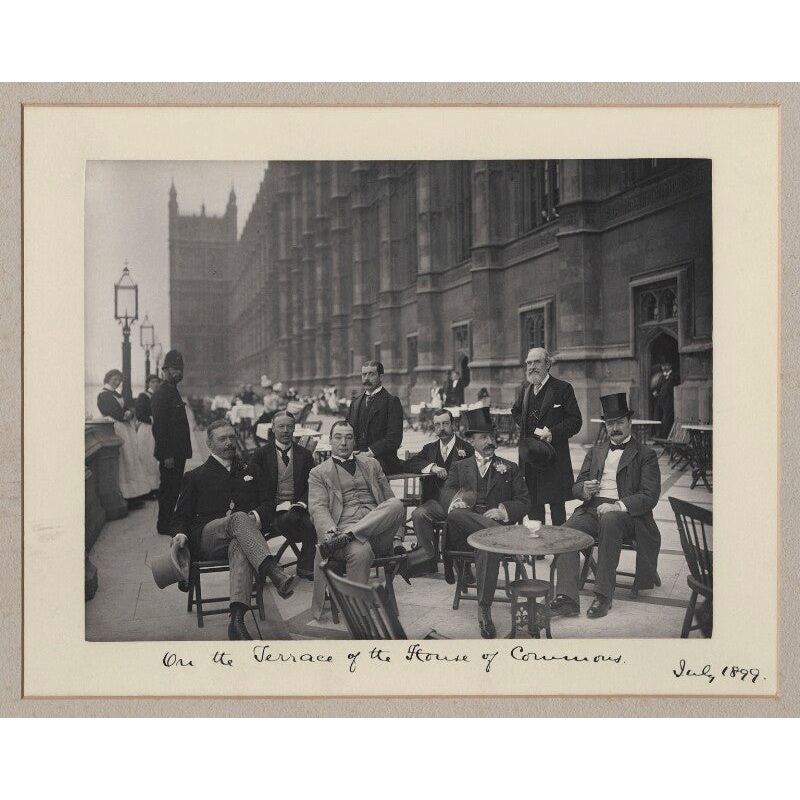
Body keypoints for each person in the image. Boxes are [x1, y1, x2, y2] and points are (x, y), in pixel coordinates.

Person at [170, 420, 295, 640]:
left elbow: (268, 503)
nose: (230, 443)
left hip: (243, 540)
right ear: (209, 444)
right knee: (238, 518)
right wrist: (180, 535)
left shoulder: (251, 470)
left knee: (241, 545)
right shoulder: (195, 476)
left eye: (232, 437)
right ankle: (272, 570)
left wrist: (255, 516)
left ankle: (236, 622)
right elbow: (180, 517)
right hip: (208, 540)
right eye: (223, 439)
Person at [549, 393, 662, 619]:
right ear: (606, 426)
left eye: (620, 422)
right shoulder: (596, 451)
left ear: (630, 423)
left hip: (629, 515)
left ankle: (603, 595)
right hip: (592, 509)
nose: (615, 428)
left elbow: (650, 496)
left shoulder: (646, 455)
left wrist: (618, 505)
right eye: (610, 424)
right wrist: (584, 489)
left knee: (610, 520)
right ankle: (567, 598)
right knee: (566, 530)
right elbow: (576, 486)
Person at [439, 408, 529, 639]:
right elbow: (446, 491)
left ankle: (484, 609)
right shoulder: (460, 466)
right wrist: (457, 501)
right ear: (471, 441)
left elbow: (524, 501)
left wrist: (503, 510)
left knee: (488, 547)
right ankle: (499, 535)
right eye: (483, 437)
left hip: (489, 538)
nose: (490, 441)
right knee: (454, 515)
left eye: (491, 436)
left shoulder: (510, 467)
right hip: (463, 533)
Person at [307, 420, 406, 620]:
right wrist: (329, 531)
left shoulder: (371, 464)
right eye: (338, 437)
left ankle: (350, 536)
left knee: (397, 505)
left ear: (355, 442)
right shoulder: (318, 473)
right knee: (361, 551)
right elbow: (318, 508)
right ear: (330, 441)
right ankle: (357, 612)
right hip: (340, 530)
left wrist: (396, 539)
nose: (343, 442)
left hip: (377, 532)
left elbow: (388, 499)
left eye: (349, 437)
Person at [511, 347, 582, 527]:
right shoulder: (525, 390)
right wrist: (527, 426)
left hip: (554, 457)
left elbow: (575, 420)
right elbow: (515, 411)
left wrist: (553, 432)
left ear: (548, 364)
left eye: (537, 362)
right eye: (528, 363)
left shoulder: (563, 388)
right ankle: (538, 551)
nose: (532, 366)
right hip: (530, 458)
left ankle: (560, 551)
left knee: (557, 507)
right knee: (534, 505)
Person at [403, 409, 474, 575]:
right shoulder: (430, 449)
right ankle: (428, 559)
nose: (441, 428)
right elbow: (408, 464)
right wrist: (432, 467)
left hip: (458, 503)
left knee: (460, 518)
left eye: (445, 424)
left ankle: (463, 563)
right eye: (437, 425)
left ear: (453, 425)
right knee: (418, 514)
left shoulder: (467, 448)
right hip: (435, 503)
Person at [250, 410, 317, 580]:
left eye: (289, 426)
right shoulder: (261, 455)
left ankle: (305, 566)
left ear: (295, 429)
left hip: (298, 508)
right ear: (272, 428)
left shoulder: (305, 454)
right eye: (280, 426)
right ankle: (297, 562)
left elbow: (313, 486)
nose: (285, 430)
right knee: (299, 523)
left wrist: (301, 504)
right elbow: (254, 487)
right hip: (271, 509)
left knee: (314, 521)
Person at [151, 349, 192, 536]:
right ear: (165, 370)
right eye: (175, 369)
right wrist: (166, 454)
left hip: (178, 451)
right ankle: (164, 525)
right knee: (168, 488)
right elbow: (159, 427)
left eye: (180, 369)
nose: (179, 373)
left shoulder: (172, 390)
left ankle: (168, 521)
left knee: (174, 487)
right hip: (170, 453)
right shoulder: (161, 393)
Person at [97, 369, 150, 505]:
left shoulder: (116, 394)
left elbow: (127, 408)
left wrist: (127, 413)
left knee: (130, 459)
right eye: (115, 379)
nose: (117, 382)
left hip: (124, 427)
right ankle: (126, 495)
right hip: (117, 428)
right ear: (107, 379)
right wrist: (124, 414)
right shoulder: (103, 395)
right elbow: (113, 411)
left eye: (119, 380)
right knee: (124, 459)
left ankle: (134, 493)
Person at [344, 360, 404, 475]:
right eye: (364, 374)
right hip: (356, 457)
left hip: (382, 460)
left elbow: (394, 438)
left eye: (371, 374)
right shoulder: (355, 403)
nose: (366, 378)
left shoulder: (391, 402)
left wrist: (369, 453)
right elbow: (347, 430)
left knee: (361, 472)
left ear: (381, 377)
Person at [134, 374, 162, 498]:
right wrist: (152, 419)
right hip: (147, 430)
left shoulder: (160, 396)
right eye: (152, 382)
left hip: (157, 430)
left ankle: (155, 487)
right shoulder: (143, 397)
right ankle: (147, 489)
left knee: (155, 459)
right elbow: (139, 414)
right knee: (146, 456)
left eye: (157, 382)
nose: (155, 384)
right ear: (148, 384)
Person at [657, 362, 677, 437]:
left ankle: (666, 436)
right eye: (663, 366)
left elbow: (671, 388)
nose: (664, 367)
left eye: (666, 365)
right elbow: (659, 387)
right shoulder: (663, 377)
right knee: (661, 418)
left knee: (667, 419)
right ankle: (661, 435)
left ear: (670, 366)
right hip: (662, 401)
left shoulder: (673, 376)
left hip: (669, 402)